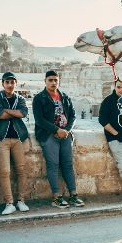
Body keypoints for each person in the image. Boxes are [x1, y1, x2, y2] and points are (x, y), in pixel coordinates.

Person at [32, 70, 84, 208]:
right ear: (45, 81)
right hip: (48, 135)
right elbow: (39, 120)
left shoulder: (65, 97)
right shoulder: (39, 98)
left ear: (59, 81)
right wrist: (56, 130)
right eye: (50, 80)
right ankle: (57, 197)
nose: (53, 83)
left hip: (65, 136)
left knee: (67, 164)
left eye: (56, 80)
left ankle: (74, 195)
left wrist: (66, 130)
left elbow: (73, 116)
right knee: (53, 165)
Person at [0, 71, 31, 215]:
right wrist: (13, 111)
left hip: (19, 138)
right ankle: (9, 203)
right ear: (3, 84)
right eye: (7, 82)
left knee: (21, 170)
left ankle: (21, 200)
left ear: (16, 84)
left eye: (12, 82)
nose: (10, 85)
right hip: (1, 139)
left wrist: (6, 111)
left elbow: (23, 113)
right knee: (5, 171)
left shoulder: (20, 98)